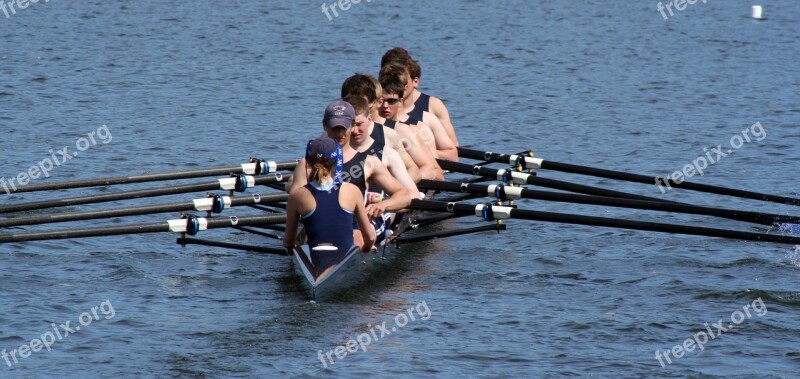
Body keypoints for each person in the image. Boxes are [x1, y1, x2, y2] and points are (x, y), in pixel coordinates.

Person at [287, 100, 412, 246]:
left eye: (343, 128)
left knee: (354, 238)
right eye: (335, 128)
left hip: (356, 223)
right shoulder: (307, 164)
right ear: (325, 126)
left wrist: (383, 206)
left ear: (352, 126)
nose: (339, 134)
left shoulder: (369, 162)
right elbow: (294, 205)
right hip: (320, 222)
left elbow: (404, 196)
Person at [284, 137, 376, 277]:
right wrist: (365, 250)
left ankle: (315, 275)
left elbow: (289, 242)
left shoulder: (297, 195)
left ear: (307, 162)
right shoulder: (352, 190)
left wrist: (295, 253)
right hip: (345, 256)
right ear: (336, 162)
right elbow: (369, 237)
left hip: (315, 259)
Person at [341, 73, 442, 181]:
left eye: (359, 103)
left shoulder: (400, 131)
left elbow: (429, 168)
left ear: (375, 102)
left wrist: (394, 190)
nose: (354, 108)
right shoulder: (335, 134)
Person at [341, 95, 421, 201]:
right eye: (350, 125)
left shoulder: (388, 154)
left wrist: (384, 203)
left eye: (359, 124)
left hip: (378, 212)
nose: (355, 130)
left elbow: (414, 196)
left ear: (369, 119)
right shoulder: (329, 150)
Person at [381, 47, 461, 147]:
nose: (395, 83)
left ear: (414, 81)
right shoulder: (374, 108)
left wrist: (418, 152)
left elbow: (454, 148)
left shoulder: (433, 106)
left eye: (399, 77)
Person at [377, 71, 458, 161]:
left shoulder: (419, 127)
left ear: (400, 101)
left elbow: (440, 165)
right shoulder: (366, 127)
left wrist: (415, 150)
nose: (385, 106)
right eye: (380, 101)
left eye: (391, 101)